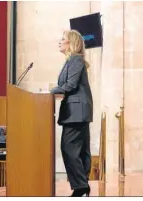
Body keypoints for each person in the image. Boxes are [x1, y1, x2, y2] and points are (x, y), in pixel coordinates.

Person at [50, 30, 93, 197]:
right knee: (80, 150)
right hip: (76, 112)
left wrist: (50, 91)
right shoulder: (71, 60)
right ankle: (82, 188)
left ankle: (81, 187)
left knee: (69, 149)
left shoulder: (75, 59)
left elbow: (71, 85)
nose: (59, 41)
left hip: (76, 112)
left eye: (63, 39)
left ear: (72, 43)